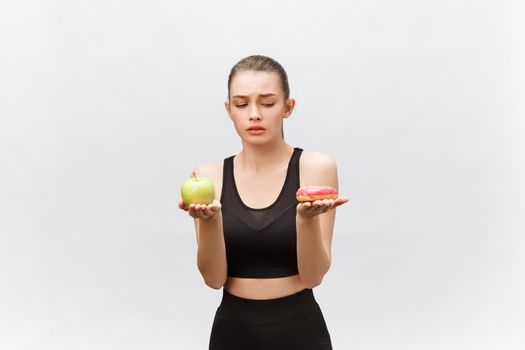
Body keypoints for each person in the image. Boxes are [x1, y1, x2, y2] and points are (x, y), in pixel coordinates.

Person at [178, 54, 349, 349]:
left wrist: (306, 220)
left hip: (299, 328)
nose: (254, 114)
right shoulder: (208, 176)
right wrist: (210, 221)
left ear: (288, 107)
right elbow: (214, 279)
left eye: (267, 103)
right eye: (242, 104)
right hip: (232, 330)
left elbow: (314, 276)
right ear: (228, 109)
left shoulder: (316, 168)